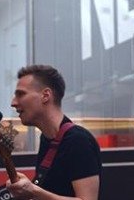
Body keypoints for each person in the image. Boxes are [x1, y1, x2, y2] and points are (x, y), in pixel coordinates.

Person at [6, 64, 101, 200]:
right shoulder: (48, 139)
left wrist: (33, 191)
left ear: (46, 96)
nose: (13, 102)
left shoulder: (78, 141)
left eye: (21, 94)